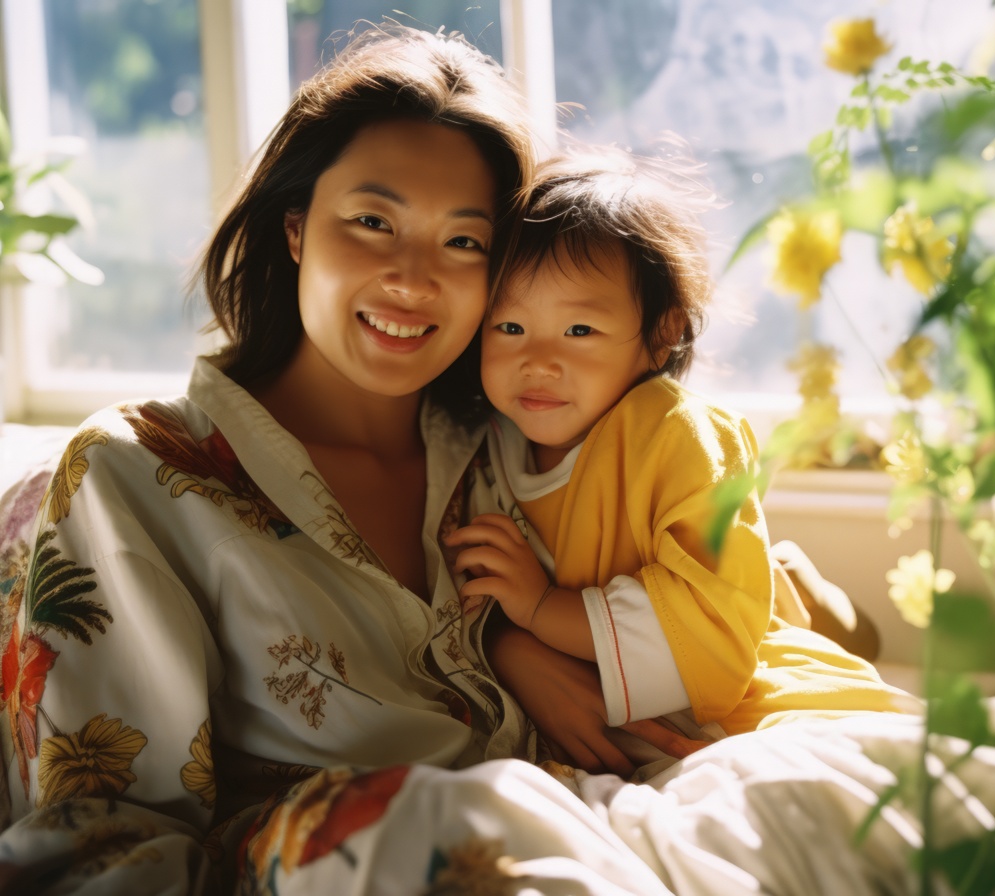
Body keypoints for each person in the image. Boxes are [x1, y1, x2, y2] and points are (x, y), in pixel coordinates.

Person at [0, 24, 700, 893]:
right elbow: (104, 842)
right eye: (373, 222)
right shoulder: (135, 474)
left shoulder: (521, 450)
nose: (412, 279)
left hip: (591, 822)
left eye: (463, 242)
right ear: (296, 229)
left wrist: (511, 643)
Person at [444, 151, 924, 744]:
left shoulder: (679, 435)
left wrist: (544, 608)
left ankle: (806, 596)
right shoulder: (482, 440)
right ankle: (796, 585)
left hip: (740, 661)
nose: (539, 362)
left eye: (579, 331)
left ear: (661, 333)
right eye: (510, 328)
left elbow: (710, 621)